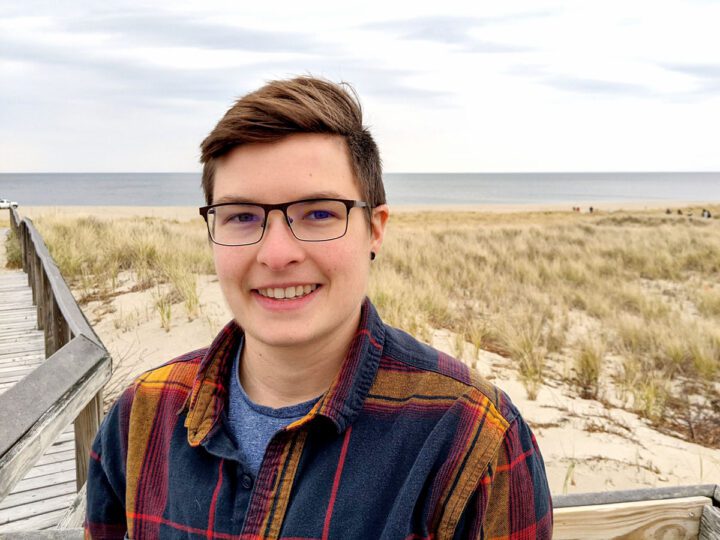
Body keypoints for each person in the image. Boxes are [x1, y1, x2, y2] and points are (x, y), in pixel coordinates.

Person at [84, 76, 552, 539]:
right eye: (242, 216)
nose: (276, 253)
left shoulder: (470, 438)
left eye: (320, 212)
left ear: (374, 229)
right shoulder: (143, 413)